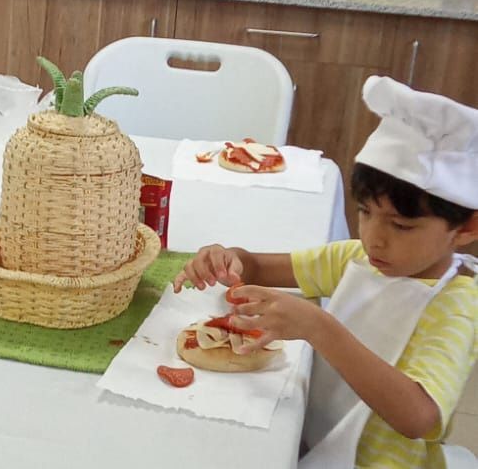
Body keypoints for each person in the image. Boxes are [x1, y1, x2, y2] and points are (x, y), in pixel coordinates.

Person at [173, 76, 478, 469]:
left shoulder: (456, 305)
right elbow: (260, 267)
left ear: (467, 228)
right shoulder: (355, 259)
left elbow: (418, 417)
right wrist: (228, 258)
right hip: (311, 440)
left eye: (401, 226)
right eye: (365, 213)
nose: (375, 239)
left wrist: (318, 327)